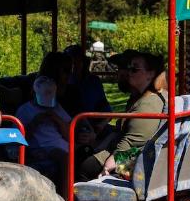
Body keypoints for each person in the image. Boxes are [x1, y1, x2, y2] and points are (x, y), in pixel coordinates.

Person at [78, 51, 167, 181]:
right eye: (128, 67)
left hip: (136, 163)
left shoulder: (148, 105)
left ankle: (76, 199)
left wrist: (107, 167)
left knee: (83, 166)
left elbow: (131, 144)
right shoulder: (142, 97)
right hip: (139, 156)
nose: (128, 72)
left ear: (150, 74)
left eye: (134, 69)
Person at [16, 74, 72, 189]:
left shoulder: (57, 108)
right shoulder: (24, 110)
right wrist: (35, 123)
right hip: (40, 147)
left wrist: (57, 119)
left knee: (84, 149)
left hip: (62, 144)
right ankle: (66, 196)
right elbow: (19, 138)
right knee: (64, 157)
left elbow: (69, 134)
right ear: (33, 93)